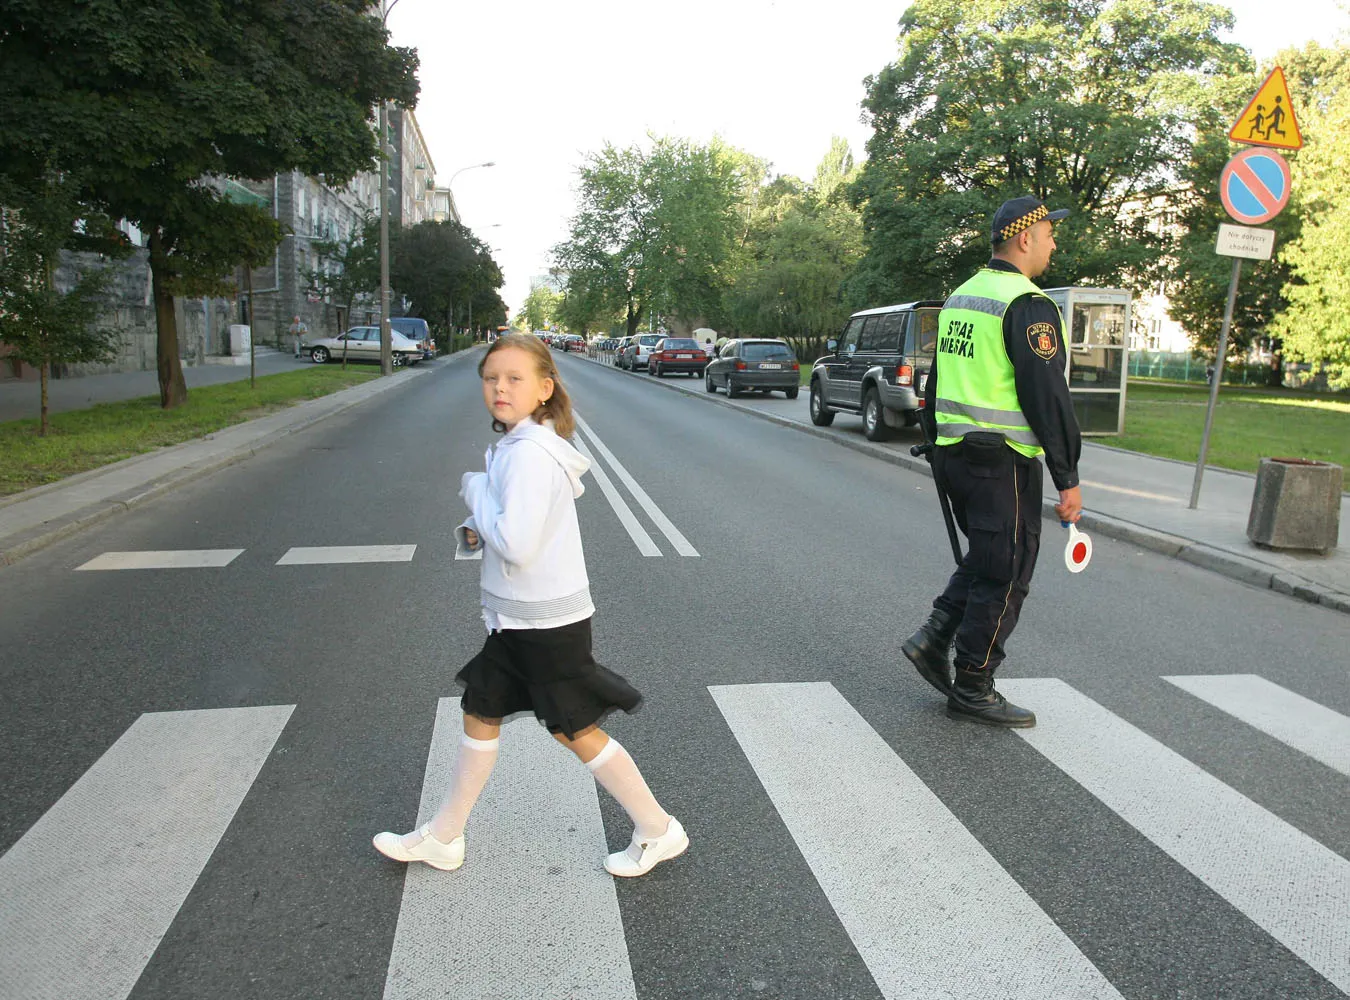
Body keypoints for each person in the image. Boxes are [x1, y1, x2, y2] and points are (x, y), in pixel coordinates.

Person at [373, 333, 688, 877]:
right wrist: (477, 526)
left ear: (544, 388)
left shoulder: (531, 454)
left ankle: (658, 829)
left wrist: (473, 489)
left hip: (542, 623)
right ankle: (444, 837)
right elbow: (519, 527)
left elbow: (517, 541)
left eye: (514, 378)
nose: (500, 387)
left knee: (575, 729)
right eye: (492, 378)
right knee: (480, 710)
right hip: (518, 618)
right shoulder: (524, 445)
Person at [903, 196, 1084, 728]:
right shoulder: (1027, 304)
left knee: (987, 558)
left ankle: (933, 638)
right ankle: (974, 684)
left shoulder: (963, 296)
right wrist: (1067, 477)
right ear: (1024, 238)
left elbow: (937, 383)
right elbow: (1046, 396)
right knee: (1007, 573)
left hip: (958, 455)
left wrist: (937, 448)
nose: (1054, 241)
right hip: (1002, 460)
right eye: (1050, 231)